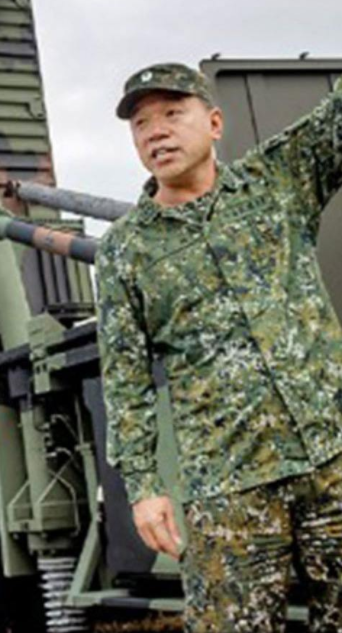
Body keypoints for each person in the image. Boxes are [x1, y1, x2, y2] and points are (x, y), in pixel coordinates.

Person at [97, 62, 342, 633]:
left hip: (333, 454)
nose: (155, 131)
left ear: (213, 122)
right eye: (140, 123)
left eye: (172, 114)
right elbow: (125, 378)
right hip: (230, 485)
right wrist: (144, 488)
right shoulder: (125, 251)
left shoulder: (278, 180)